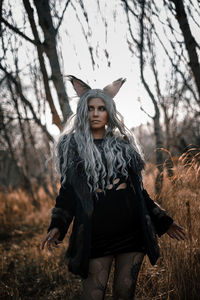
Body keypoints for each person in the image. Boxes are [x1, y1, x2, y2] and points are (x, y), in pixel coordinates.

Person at [41, 76, 185, 300]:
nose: (96, 113)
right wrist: (57, 226)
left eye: (101, 108)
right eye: (90, 109)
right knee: (93, 294)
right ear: (82, 112)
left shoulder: (124, 147)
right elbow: (68, 193)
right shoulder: (73, 147)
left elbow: (139, 194)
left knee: (124, 292)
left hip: (131, 232)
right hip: (95, 234)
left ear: (109, 111)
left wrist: (163, 221)